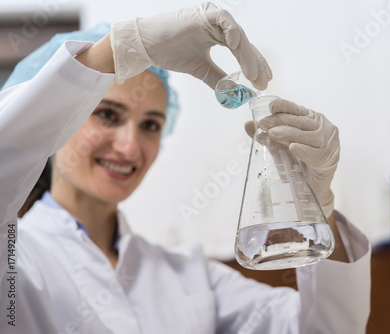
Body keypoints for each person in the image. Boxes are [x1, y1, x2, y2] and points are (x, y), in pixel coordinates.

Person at [0, 3, 370, 333]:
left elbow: (327, 329)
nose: (130, 147)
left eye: (150, 125)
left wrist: (316, 203)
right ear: (61, 117)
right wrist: (117, 50)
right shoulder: (14, 256)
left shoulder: (190, 276)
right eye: (108, 115)